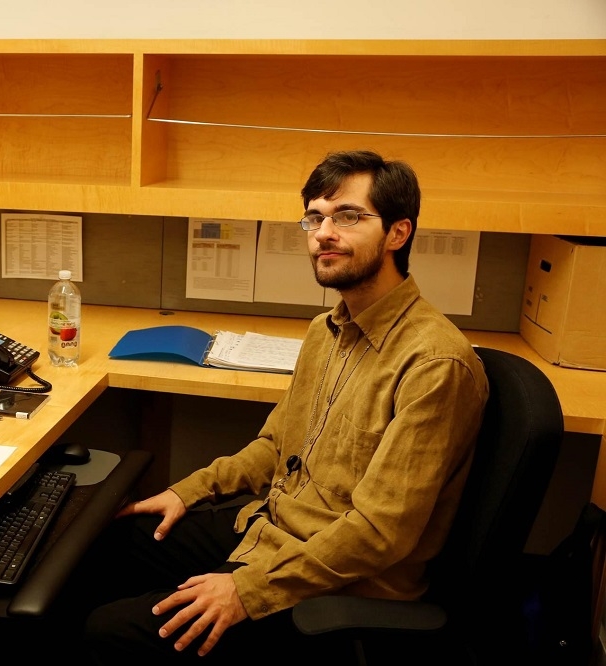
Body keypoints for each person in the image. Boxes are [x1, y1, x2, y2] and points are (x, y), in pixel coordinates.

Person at [77, 150, 490, 662]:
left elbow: (378, 534)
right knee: (106, 542)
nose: (323, 234)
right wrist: (188, 491)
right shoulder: (326, 332)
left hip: (335, 586)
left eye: (347, 216)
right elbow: (276, 446)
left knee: (108, 631)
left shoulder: (434, 364)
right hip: (272, 530)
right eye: (314, 218)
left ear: (398, 233)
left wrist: (245, 590)